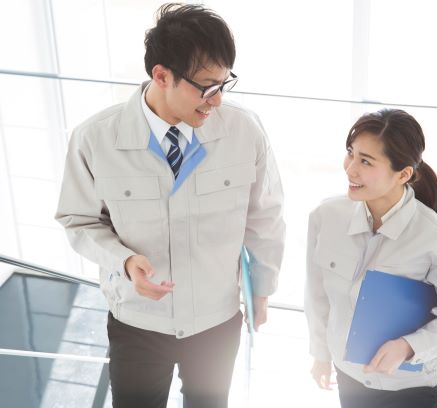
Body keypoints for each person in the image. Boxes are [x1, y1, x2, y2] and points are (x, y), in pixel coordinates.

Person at [55, 3, 285, 407]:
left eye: (224, 83)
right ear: (161, 76)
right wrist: (125, 260)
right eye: (206, 87)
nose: (217, 100)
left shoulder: (244, 130)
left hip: (216, 321)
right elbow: (79, 221)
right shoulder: (94, 139)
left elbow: (265, 217)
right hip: (137, 322)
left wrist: (262, 291)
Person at [304, 109, 437, 408]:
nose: (350, 169)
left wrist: (408, 346)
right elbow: (317, 295)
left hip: (413, 390)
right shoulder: (325, 217)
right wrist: (321, 354)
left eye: (366, 161)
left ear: (403, 174)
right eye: (351, 154)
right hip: (349, 378)